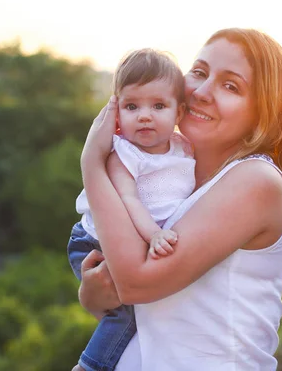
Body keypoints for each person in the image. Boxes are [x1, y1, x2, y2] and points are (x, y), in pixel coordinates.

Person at [77, 28, 282, 370]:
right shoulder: (175, 182)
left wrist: (91, 162)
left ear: (264, 113)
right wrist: (91, 297)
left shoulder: (256, 180)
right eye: (200, 73)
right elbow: (150, 311)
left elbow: (136, 283)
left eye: (230, 85)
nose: (203, 92)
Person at [68, 48, 197, 371]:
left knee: (144, 310)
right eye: (131, 106)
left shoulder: (184, 149)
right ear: (115, 114)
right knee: (130, 311)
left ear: (178, 112)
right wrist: (154, 234)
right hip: (94, 243)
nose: (144, 115)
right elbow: (129, 200)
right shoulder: (123, 154)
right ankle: (89, 366)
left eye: (158, 106)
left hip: (136, 242)